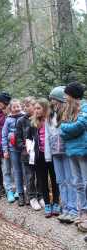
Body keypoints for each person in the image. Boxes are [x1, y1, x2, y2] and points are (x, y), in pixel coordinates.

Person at [46, 86, 77, 223]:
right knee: (60, 181)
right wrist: (48, 155)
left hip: (67, 152)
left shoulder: (69, 115)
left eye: (55, 100)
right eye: (51, 100)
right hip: (55, 153)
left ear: (62, 101)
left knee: (71, 180)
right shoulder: (50, 116)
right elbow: (47, 135)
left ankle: (73, 208)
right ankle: (65, 207)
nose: (53, 103)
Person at [60, 82, 87, 231]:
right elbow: (62, 130)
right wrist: (66, 129)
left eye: (66, 94)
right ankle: (82, 213)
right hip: (71, 150)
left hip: (83, 150)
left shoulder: (85, 107)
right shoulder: (68, 110)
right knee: (78, 183)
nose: (65, 97)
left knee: (86, 183)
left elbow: (80, 126)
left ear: (72, 95)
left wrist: (65, 128)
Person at [27, 98, 60, 218]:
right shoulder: (33, 123)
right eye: (35, 108)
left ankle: (56, 203)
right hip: (39, 156)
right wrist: (30, 150)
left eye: (38, 108)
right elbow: (29, 138)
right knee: (43, 181)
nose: (36, 111)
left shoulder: (52, 120)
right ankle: (47, 204)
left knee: (55, 179)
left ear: (45, 108)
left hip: (52, 155)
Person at [16, 97, 41, 210]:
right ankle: (32, 197)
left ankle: (41, 196)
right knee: (29, 176)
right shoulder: (21, 121)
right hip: (27, 154)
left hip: (40, 153)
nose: (26, 108)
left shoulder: (40, 118)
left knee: (40, 175)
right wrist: (25, 147)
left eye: (28, 105)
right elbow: (18, 138)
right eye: (24, 106)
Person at [2, 99, 24, 205]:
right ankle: (16, 191)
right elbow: (4, 135)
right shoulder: (8, 120)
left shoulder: (24, 117)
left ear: (21, 107)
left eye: (18, 106)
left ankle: (22, 190)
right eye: (14, 107)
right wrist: (5, 149)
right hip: (12, 148)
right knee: (16, 169)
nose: (16, 109)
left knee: (24, 169)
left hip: (24, 148)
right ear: (11, 109)